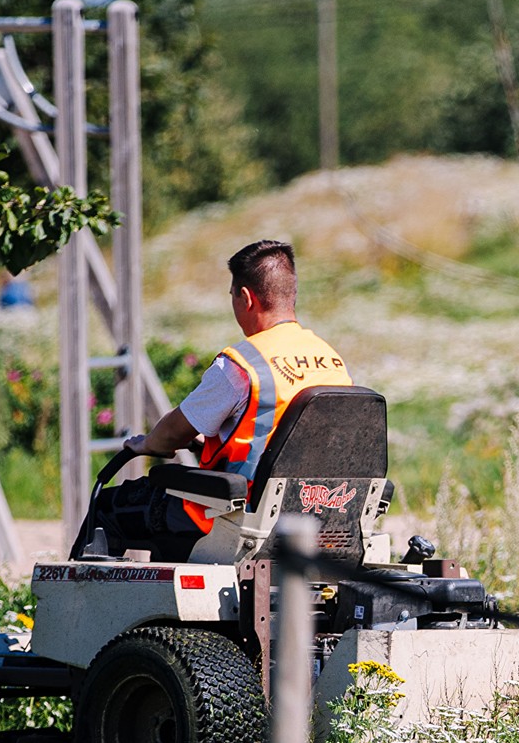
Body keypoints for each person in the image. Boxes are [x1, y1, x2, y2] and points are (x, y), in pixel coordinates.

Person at [76, 238, 353, 558]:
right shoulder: (332, 361)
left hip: (233, 516)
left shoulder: (243, 363)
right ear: (291, 294)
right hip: (315, 511)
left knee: (109, 508)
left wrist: (150, 443)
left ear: (246, 298)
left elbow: (173, 433)